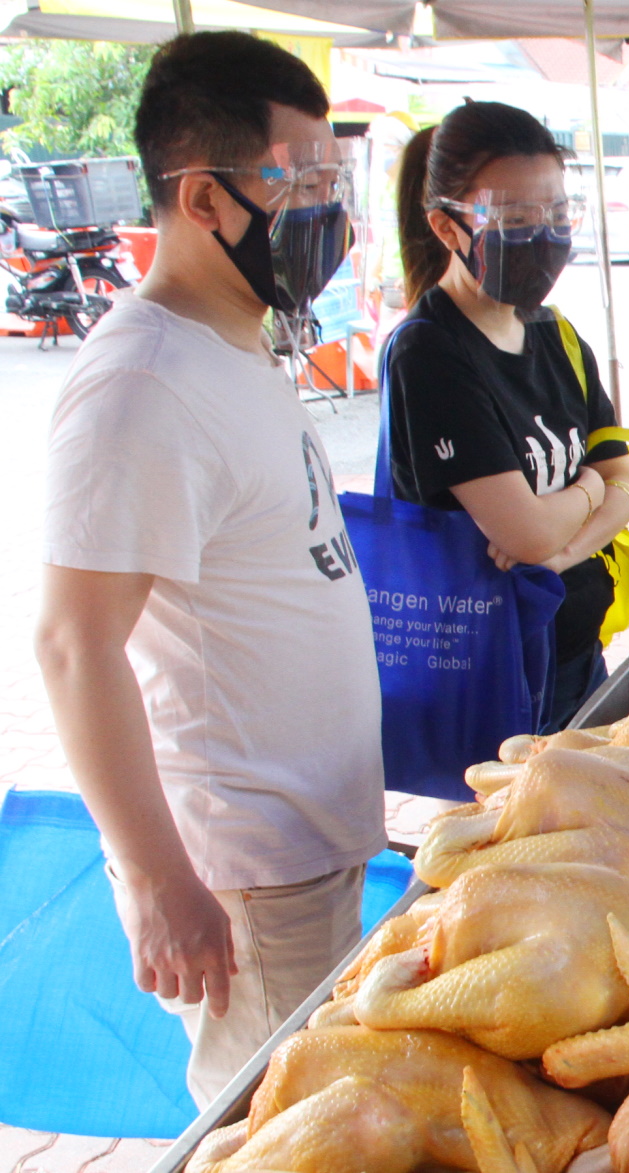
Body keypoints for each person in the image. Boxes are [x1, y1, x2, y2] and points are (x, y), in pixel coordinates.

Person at [34, 32, 380, 1107]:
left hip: (307, 843)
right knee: (278, 1125)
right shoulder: (142, 383)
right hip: (243, 872)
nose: (333, 212)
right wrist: (157, 878)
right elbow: (70, 643)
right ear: (204, 199)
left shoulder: (238, 338)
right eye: (305, 183)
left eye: (337, 180)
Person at [387, 101, 629, 732]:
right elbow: (526, 532)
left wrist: (561, 553)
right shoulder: (431, 353)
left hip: (579, 655)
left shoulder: (557, 338)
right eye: (516, 218)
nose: (544, 235)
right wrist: (587, 489)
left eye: (557, 214)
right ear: (447, 229)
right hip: (495, 676)